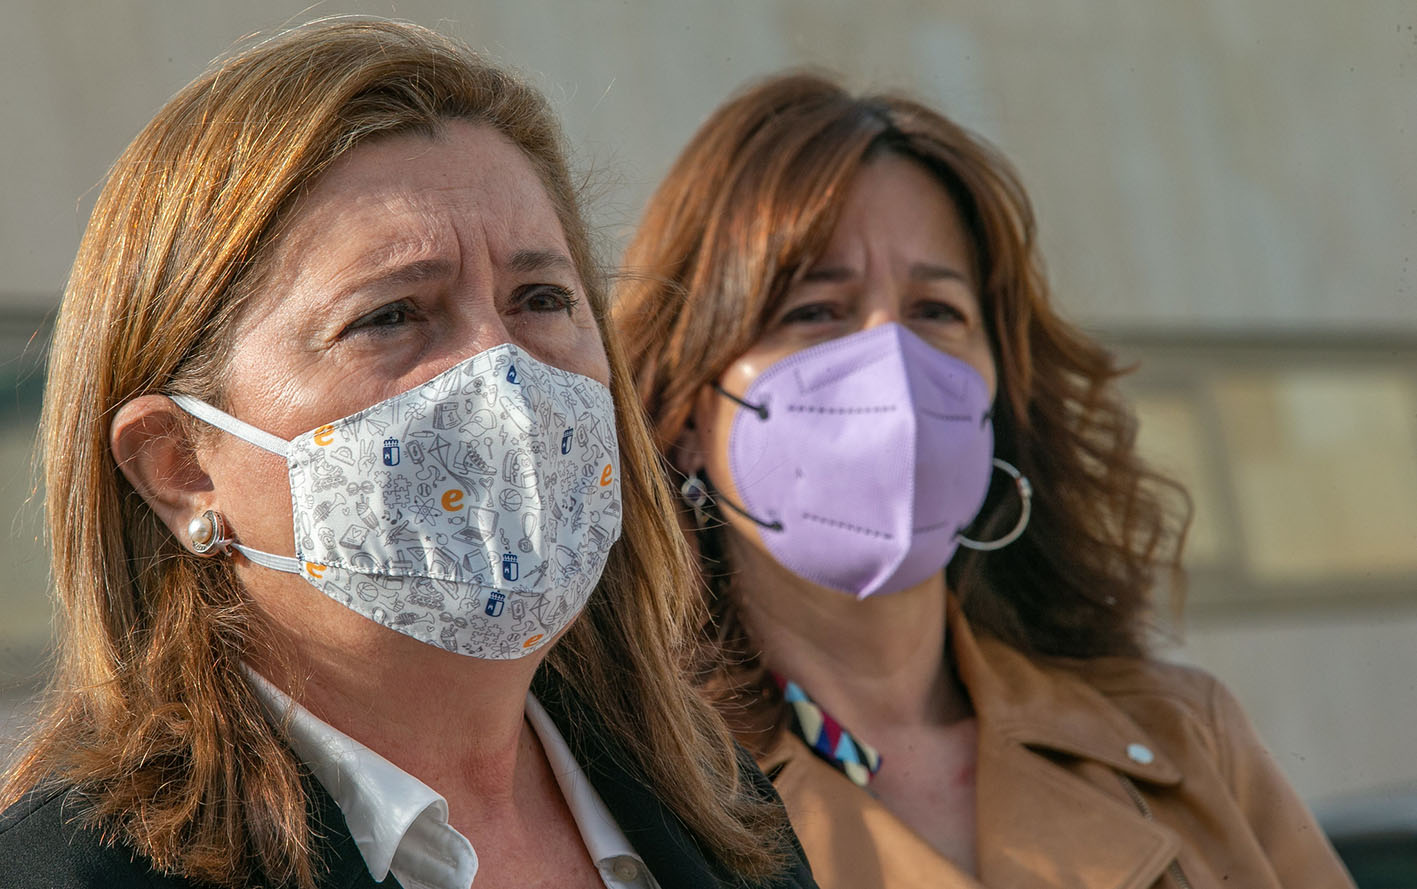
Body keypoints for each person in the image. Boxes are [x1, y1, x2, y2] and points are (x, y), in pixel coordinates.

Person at [0, 21, 817, 889]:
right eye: (391, 314)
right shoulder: (76, 872)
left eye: (539, 298)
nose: (499, 374)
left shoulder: (721, 811)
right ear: (179, 464)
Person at [614, 73, 1355, 889]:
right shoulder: (643, 799)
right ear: (685, 418)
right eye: (815, 311)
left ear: (997, 388)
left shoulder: (1185, 739)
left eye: (936, 310)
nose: (893, 366)